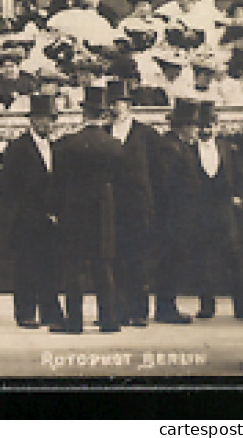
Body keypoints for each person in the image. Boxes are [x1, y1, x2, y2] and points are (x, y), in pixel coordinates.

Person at [51, 85, 123, 334]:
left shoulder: (67, 144)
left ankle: (74, 322)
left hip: (75, 209)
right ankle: (109, 320)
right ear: (104, 115)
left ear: (84, 114)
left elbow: (57, 181)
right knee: (104, 266)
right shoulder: (114, 145)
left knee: (75, 266)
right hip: (104, 210)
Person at [190, 102, 243, 321]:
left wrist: (240, 196)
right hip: (200, 210)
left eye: (209, 125)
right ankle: (206, 307)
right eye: (201, 126)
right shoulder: (190, 149)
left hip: (224, 210)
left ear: (217, 125)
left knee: (234, 258)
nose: (205, 130)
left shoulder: (228, 149)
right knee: (203, 258)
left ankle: (242, 308)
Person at [1, 94, 63, 328]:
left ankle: (50, 313)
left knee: (50, 266)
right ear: (34, 121)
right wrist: (25, 211)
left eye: (51, 119)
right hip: (27, 218)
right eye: (44, 119)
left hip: (50, 219)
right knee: (26, 267)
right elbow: (8, 187)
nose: (48, 124)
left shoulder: (55, 147)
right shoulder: (18, 148)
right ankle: (25, 313)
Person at [104, 76, 157, 327]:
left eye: (120, 102)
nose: (115, 107)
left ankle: (139, 311)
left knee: (137, 259)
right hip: (110, 207)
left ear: (129, 105)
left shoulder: (147, 134)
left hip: (137, 207)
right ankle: (117, 310)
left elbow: (158, 173)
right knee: (113, 260)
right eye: (112, 103)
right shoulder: (103, 132)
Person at [150, 98, 199, 324]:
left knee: (172, 261)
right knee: (169, 262)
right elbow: (166, 184)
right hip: (171, 217)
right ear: (184, 126)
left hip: (176, 216)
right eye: (194, 125)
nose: (196, 130)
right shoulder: (170, 147)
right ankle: (165, 309)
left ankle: (168, 306)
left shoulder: (177, 145)